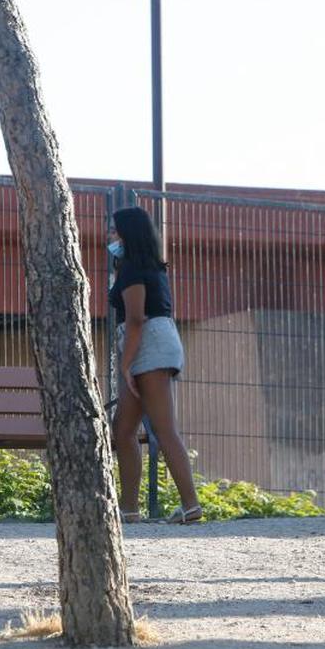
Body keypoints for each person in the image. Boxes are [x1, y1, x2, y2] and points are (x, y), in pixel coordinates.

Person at [108, 206, 202, 524]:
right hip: (152, 342)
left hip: (149, 345)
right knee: (123, 430)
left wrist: (126, 364)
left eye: (114, 230)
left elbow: (136, 319)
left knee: (164, 429)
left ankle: (190, 505)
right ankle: (129, 509)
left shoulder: (134, 268)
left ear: (128, 233)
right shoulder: (143, 266)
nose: (110, 235)